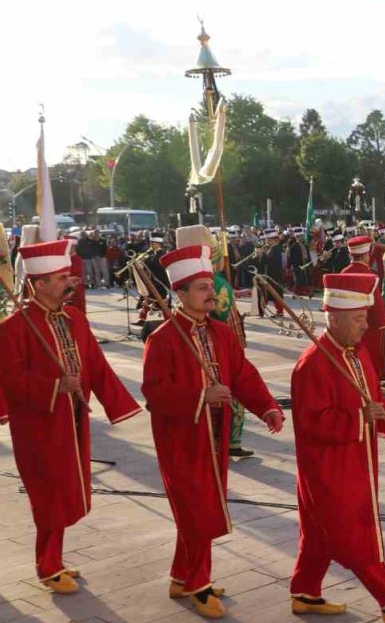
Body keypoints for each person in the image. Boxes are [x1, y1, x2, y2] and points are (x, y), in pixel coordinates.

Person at [141, 245, 285, 618]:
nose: (212, 292)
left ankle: (180, 576)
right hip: (182, 441)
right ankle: (198, 586)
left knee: (200, 510)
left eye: (210, 285)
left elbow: (243, 374)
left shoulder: (220, 333)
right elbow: (154, 394)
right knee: (197, 512)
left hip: (215, 439)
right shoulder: (163, 338)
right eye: (203, 287)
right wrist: (202, 396)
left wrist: (266, 406)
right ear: (181, 293)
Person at [0, 239, 141, 594]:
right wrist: (55, 386)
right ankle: (47, 567)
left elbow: (96, 363)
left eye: (68, 276)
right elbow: (11, 380)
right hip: (39, 425)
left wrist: (119, 404)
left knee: (65, 491)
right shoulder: (13, 328)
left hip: (73, 418)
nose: (70, 282)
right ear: (39, 284)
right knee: (47, 495)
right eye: (61, 278)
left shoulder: (75, 318)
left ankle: (57, 560)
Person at [289, 272, 385, 623]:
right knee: (353, 534)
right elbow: (311, 423)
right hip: (328, 468)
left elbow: (375, 402)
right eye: (358, 319)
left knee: (320, 533)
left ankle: (305, 592)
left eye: (365, 318)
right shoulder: (312, 363)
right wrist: (357, 416)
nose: (365, 326)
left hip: (358, 460)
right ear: (334, 318)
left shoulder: (358, 354)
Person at [176, 225, 254, 459]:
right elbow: (220, 314)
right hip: (222, 345)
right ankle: (230, 440)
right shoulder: (216, 283)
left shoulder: (201, 281)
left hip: (212, 342)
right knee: (232, 391)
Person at [343, 235, 385, 380]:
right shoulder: (370, 276)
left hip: (346, 324)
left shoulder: (343, 273)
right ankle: (372, 384)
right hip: (368, 325)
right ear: (365, 255)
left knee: (350, 354)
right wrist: (384, 323)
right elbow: (377, 304)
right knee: (370, 355)